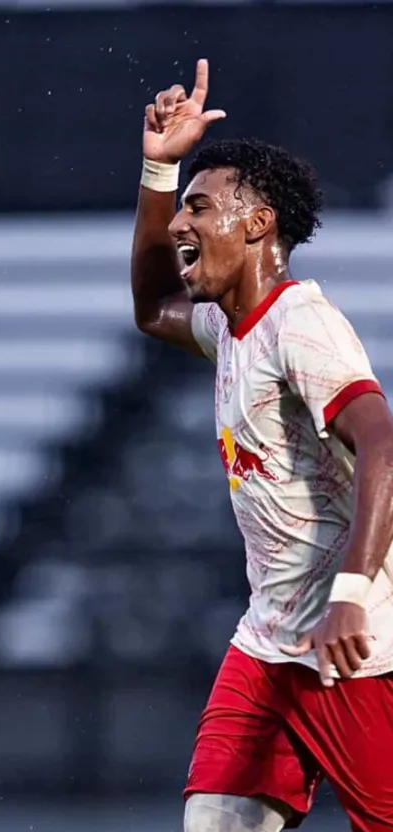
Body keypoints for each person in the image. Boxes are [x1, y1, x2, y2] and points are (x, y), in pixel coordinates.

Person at [132, 59, 393, 832]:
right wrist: (158, 170)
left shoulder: (301, 326)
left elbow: (384, 443)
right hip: (268, 646)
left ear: (257, 224)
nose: (179, 225)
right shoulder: (228, 326)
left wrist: (349, 598)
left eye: (199, 207)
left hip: (356, 648)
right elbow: (152, 309)